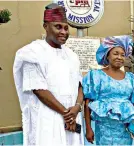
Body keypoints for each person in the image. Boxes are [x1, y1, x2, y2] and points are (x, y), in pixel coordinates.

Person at [13, 3, 84, 145]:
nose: (63, 32)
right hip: (47, 118)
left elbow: (79, 85)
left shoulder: (72, 56)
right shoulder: (31, 53)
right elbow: (39, 90)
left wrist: (76, 108)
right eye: (58, 27)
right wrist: (66, 113)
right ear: (46, 26)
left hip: (72, 117)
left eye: (66, 28)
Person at [83, 35, 134, 145]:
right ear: (107, 56)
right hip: (104, 130)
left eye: (123, 55)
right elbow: (87, 103)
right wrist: (88, 128)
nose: (119, 57)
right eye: (115, 53)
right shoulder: (96, 75)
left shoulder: (131, 78)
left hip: (125, 130)